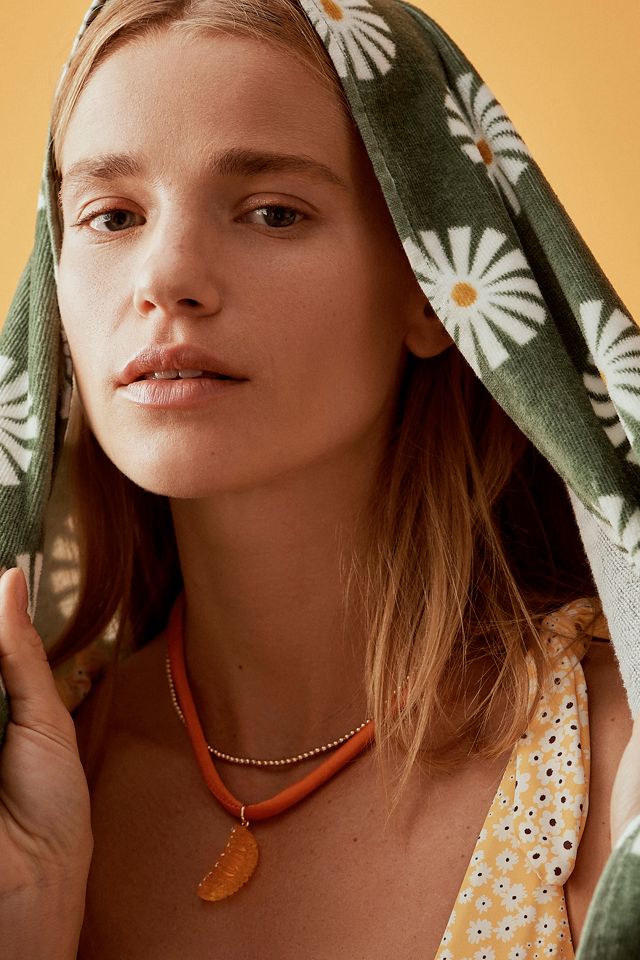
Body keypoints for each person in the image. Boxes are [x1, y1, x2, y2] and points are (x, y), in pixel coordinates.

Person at [1, 1, 639, 957]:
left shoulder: (610, 767)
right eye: (113, 216)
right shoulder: (34, 766)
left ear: (436, 286)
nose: (165, 277)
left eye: (274, 213)